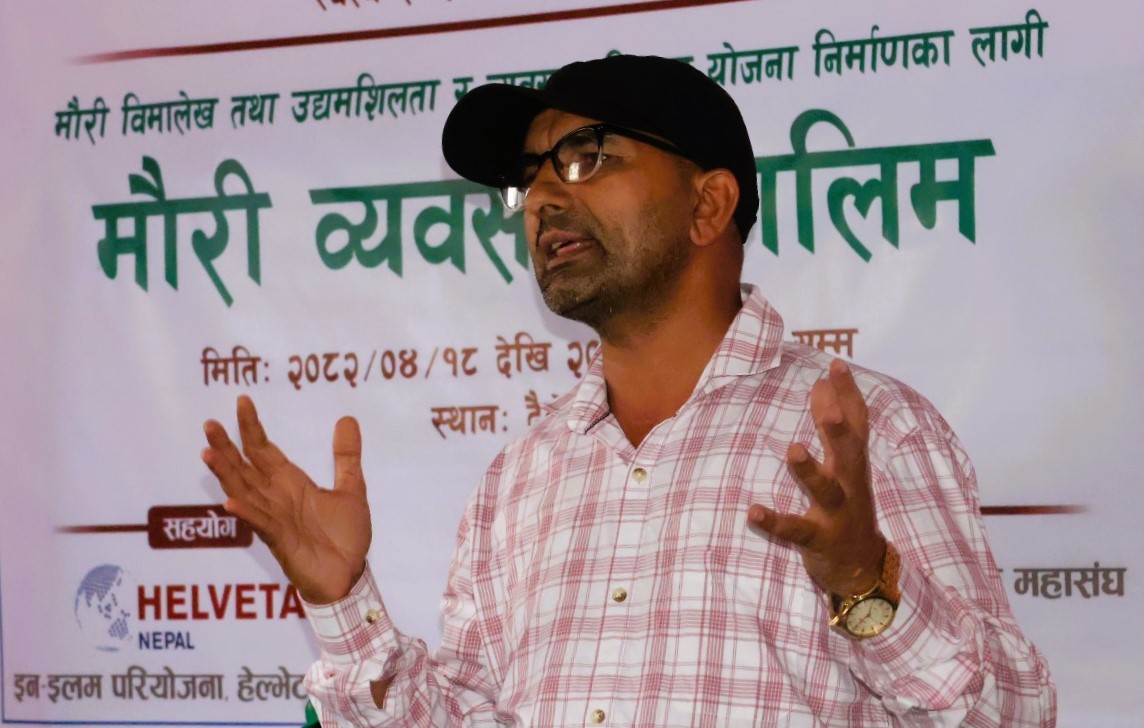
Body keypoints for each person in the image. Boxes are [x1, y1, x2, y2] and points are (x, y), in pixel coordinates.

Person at [202, 55, 1055, 726]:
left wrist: (868, 583)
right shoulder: (522, 475)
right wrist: (342, 601)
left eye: (587, 157)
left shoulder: (868, 433)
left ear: (708, 205)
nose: (541, 197)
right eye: (531, 175)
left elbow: (1014, 716)